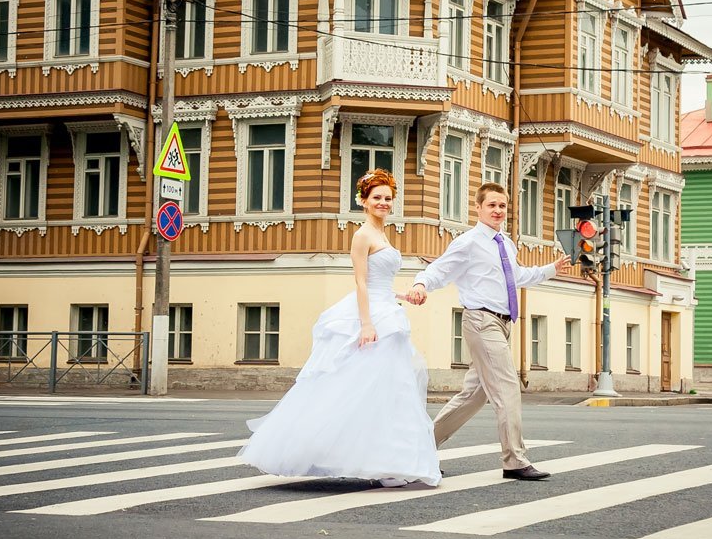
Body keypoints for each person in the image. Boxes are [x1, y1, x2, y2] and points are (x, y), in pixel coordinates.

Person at [237, 169, 440, 487]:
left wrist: (404, 295)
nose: (383, 203)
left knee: (390, 392)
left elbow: (378, 283)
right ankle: (369, 460)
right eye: (377, 198)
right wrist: (367, 324)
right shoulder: (362, 236)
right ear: (363, 200)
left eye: (388, 198)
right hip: (372, 318)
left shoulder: (383, 234)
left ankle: (389, 462)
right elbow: (360, 282)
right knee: (359, 390)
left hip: (387, 309)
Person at [406, 182, 570, 481]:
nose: (497, 210)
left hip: (502, 324)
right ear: (478, 208)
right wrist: (420, 284)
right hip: (482, 322)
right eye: (492, 205)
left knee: (473, 395)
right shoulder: (468, 242)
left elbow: (517, 276)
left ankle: (418, 450)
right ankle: (514, 460)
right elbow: (440, 269)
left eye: (502, 206)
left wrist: (551, 269)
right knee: (507, 389)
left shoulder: (505, 243)